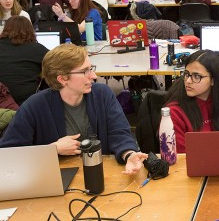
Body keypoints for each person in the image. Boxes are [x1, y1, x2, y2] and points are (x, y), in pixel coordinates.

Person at [0, 44, 148, 173]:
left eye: (91, 68)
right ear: (62, 79)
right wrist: (52, 149)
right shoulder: (34, 106)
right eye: (85, 71)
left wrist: (129, 154)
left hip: (102, 174)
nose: (94, 75)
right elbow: (7, 153)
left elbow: (119, 133)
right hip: (55, 179)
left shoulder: (102, 94)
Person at [164, 50, 219, 153]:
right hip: (190, 166)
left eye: (197, 76)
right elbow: (180, 156)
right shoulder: (175, 112)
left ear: (213, 80)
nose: (188, 81)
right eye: (187, 74)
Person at [0, 16, 48, 105]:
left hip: (2, 101)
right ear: (30, 30)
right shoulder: (37, 49)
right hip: (25, 103)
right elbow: (58, 64)